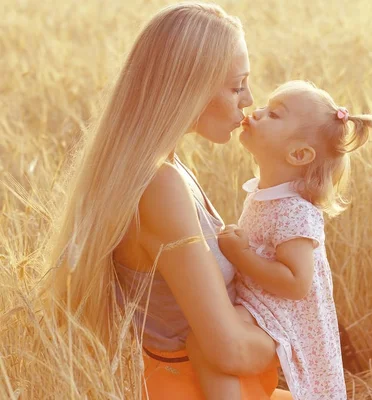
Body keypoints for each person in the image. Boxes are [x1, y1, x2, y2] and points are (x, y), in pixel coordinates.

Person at [45, 3, 291, 398]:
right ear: (188, 87)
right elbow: (230, 350)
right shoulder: (159, 185)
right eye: (236, 84)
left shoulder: (162, 168)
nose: (248, 99)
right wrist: (297, 328)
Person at [187, 80, 372, 399]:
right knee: (203, 333)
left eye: (274, 114)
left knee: (207, 340)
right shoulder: (267, 195)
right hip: (261, 307)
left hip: (281, 317)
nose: (257, 112)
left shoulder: (296, 211)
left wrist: (240, 255)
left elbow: (297, 283)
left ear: (298, 154)